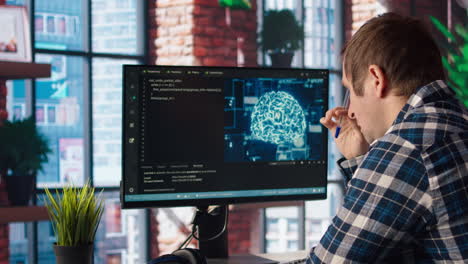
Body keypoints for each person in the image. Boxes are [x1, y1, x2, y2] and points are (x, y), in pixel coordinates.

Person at [310, 12, 468, 263]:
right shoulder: (455, 120)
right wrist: (361, 160)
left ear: (376, 79)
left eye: (350, 90)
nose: (349, 110)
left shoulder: (408, 146)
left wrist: (375, 159)